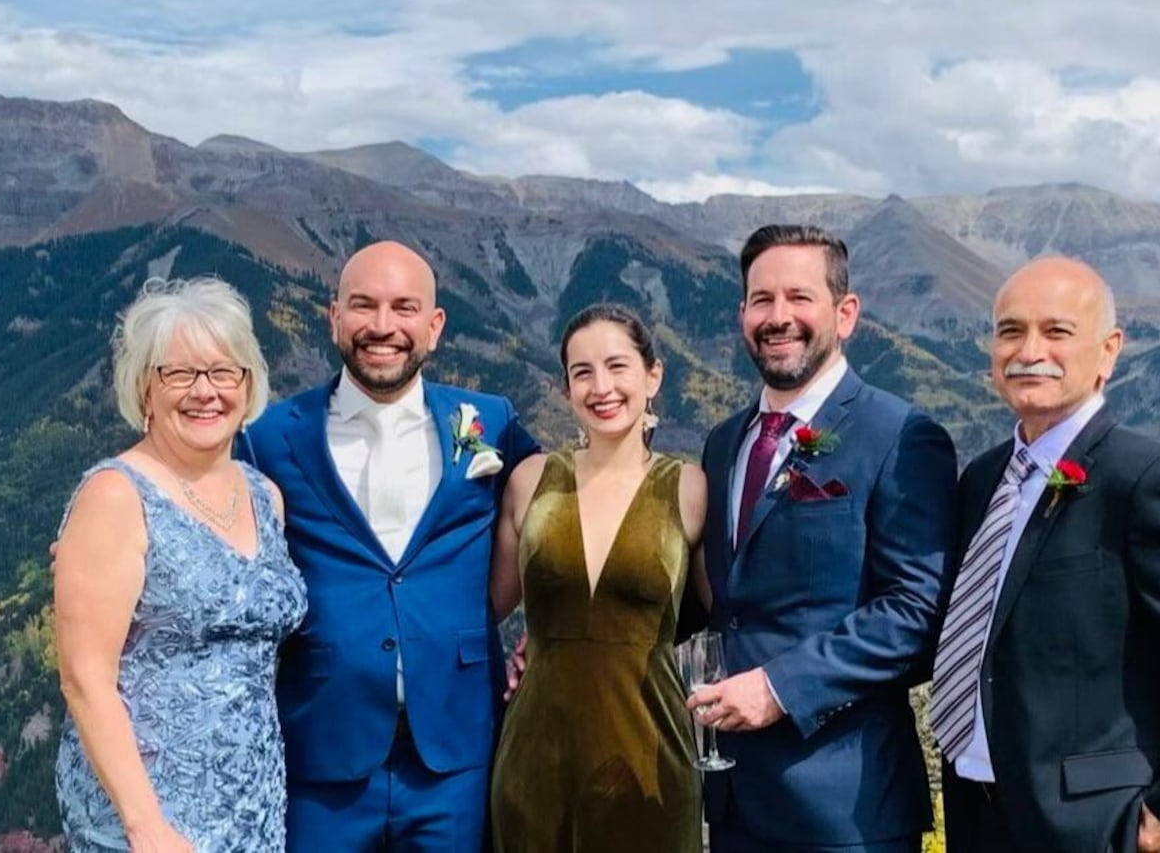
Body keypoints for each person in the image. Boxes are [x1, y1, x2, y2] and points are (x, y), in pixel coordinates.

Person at [933, 256, 1160, 853]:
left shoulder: (1147, 481)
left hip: (1098, 828)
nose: (1028, 349)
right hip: (976, 816)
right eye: (1010, 330)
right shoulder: (984, 479)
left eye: (1057, 331)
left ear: (1109, 350)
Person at [240, 240, 539, 851]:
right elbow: (205, 515)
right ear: (333, 317)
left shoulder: (490, 422)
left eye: (404, 308)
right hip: (322, 750)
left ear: (434, 326)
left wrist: (556, 626)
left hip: (455, 751)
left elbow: (569, 510)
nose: (382, 327)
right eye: (363, 305)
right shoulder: (270, 436)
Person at [689, 224, 958, 852]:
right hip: (731, 801)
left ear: (846, 313)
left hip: (846, 809)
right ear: (742, 315)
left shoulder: (901, 435)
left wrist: (780, 688)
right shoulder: (725, 443)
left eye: (799, 297)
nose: (778, 317)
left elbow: (915, 612)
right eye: (762, 300)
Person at [54, 276, 308, 852]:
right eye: (179, 373)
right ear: (145, 387)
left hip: (253, 808)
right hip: (149, 819)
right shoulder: (116, 496)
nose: (205, 391)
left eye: (224, 371)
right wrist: (148, 829)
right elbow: (84, 677)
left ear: (249, 385)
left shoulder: (264, 495)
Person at [489, 303, 707, 853]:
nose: (600, 386)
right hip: (534, 755)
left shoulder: (691, 488)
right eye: (582, 372)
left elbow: (723, 615)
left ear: (652, 375)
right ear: (565, 388)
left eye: (617, 366)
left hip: (648, 756)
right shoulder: (529, 481)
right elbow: (482, 608)